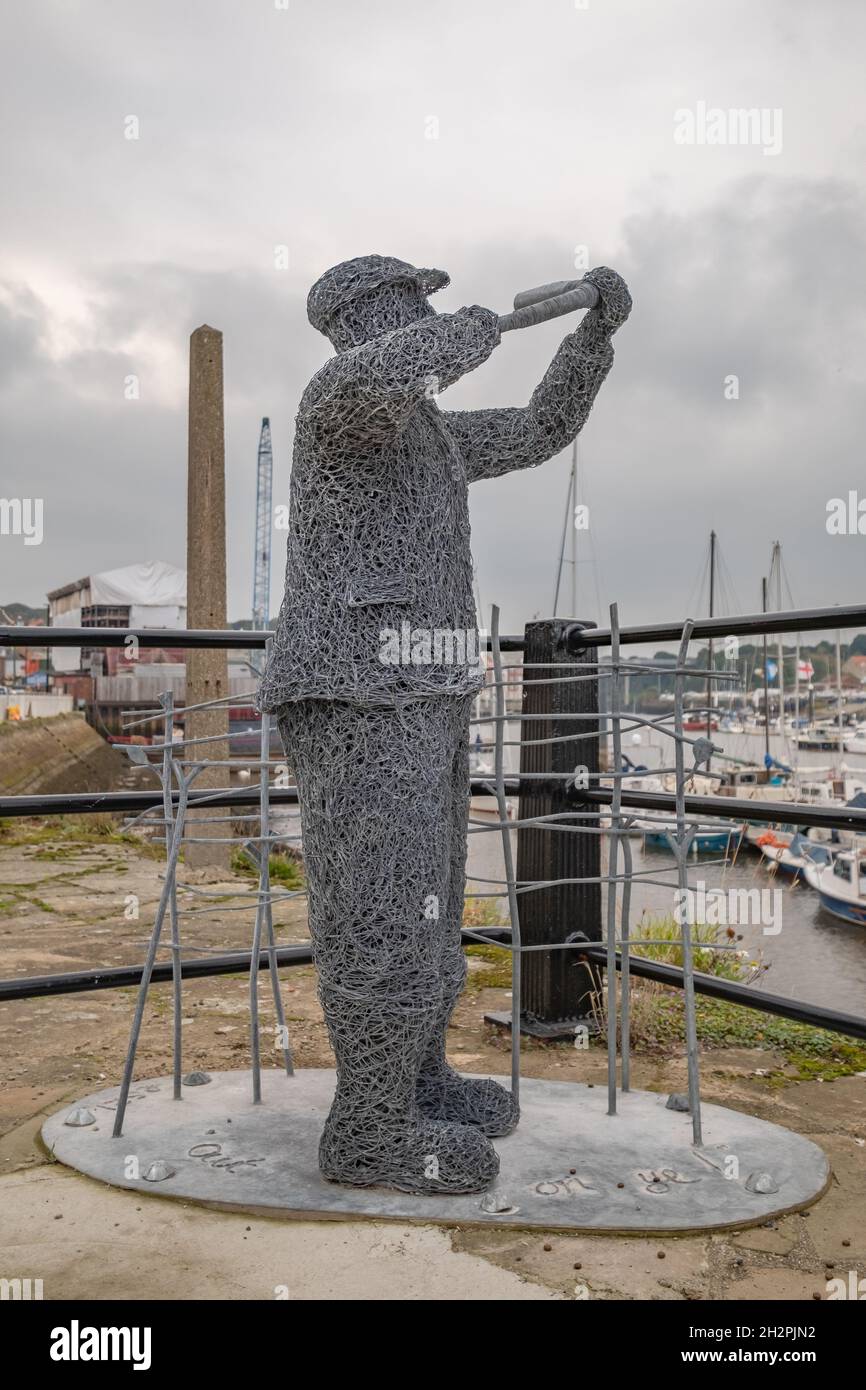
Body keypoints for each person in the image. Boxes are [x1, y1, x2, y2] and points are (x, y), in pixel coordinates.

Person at [259, 254, 631, 1192]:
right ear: (376, 312)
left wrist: (591, 338)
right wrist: (479, 325)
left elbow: (540, 429)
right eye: (414, 305)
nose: (427, 315)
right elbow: (394, 368)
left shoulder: (431, 432)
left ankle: (415, 1082)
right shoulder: (339, 401)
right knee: (376, 911)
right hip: (355, 693)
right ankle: (369, 1127)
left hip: (426, 694)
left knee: (426, 905)